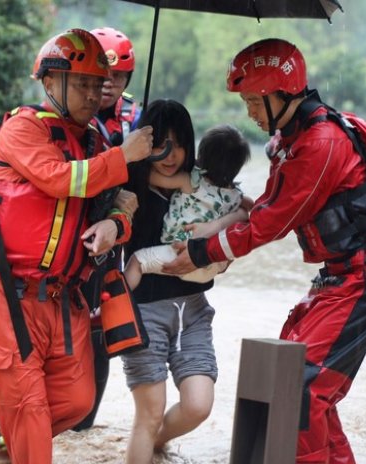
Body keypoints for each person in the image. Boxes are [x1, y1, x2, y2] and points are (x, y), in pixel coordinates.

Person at [163, 38, 366, 463]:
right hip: (343, 274)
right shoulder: (294, 138)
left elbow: (272, 222)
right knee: (296, 380)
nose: (249, 112)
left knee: (301, 388)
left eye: (253, 101)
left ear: (280, 94)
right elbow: (268, 207)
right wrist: (219, 227)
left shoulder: (320, 144)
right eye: (245, 103)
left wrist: (204, 251)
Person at [0, 28, 153, 464]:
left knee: (77, 401)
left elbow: (123, 202)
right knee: (29, 409)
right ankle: (18, 442)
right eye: (81, 83)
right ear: (49, 81)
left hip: (64, 298)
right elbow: (60, 179)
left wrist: (114, 224)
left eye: (97, 84)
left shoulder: (95, 142)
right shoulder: (23, 128)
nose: (92, 94)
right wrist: (124, 156)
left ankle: (0, 447)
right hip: (10, 294)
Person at [122, 100, 244, 464]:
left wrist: (216, 229)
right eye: (159, 144)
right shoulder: (131, 186)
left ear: (192, 146)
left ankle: (157, 443)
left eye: (177, 144)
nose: (169, 154)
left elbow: (246, 211)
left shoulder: (206, 184)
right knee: (149, 413)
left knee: (198, 406)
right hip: (145, 311)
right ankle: (147, 441)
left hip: (193, 310)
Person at [73, 25, 141, 433]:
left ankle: (84, 427)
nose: (109, 84)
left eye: (118, 77)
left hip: (114, 235)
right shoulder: (66, 116)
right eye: (103, 75)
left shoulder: (136, 119)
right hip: (69, 230)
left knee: (99, 329)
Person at [124, 124, 251, 289]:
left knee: (137, 262)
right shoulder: (235, 195)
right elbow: (252, 206)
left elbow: (150, 178)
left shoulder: (189, 181)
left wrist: (134, 159)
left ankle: (117, 298)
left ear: (201, 155)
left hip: (178, 255)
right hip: (214, 261)